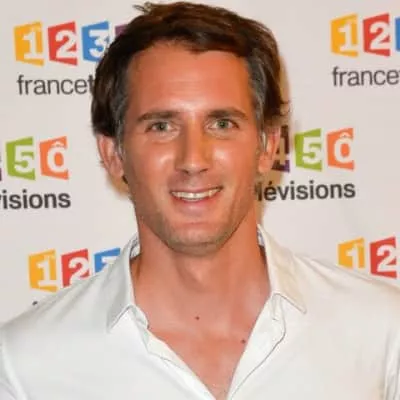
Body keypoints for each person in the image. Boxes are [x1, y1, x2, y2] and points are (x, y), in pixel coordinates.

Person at [1, 2, 399, 399]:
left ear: (267, 146)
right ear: (114, 153)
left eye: (222, 124)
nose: (193, 159)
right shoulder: (25, 367)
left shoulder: (382, 333)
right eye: (162, 126)